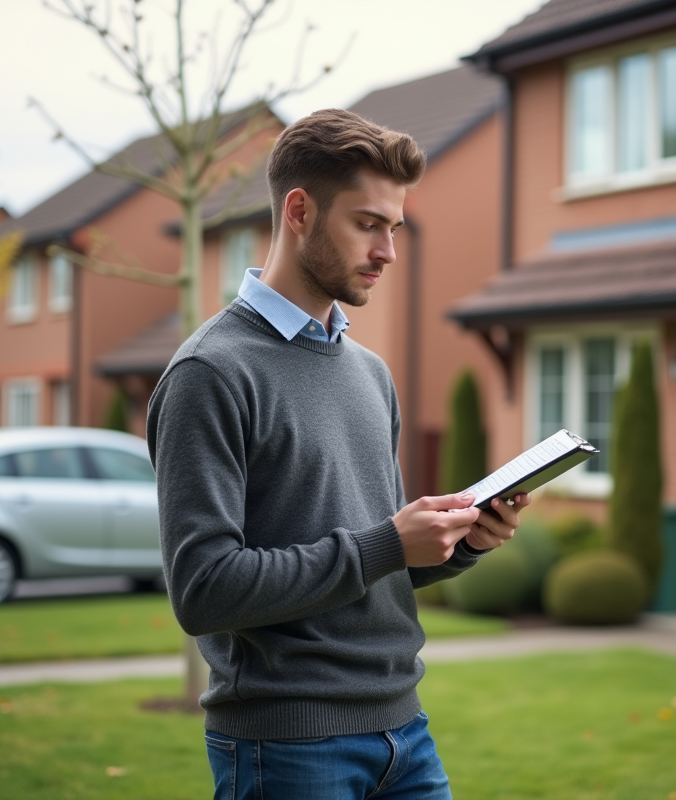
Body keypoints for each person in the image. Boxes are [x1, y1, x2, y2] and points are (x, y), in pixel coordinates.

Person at [147, 108, 530, 800]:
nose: (387, 250)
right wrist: (387, 543)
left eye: (395, 228)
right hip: (286, 746)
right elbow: (203, 592)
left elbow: (371, 569)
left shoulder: (369, 373)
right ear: (299, 211)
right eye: (368, 224)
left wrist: (460, 541)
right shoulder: (210, 374)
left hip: (405, 733)